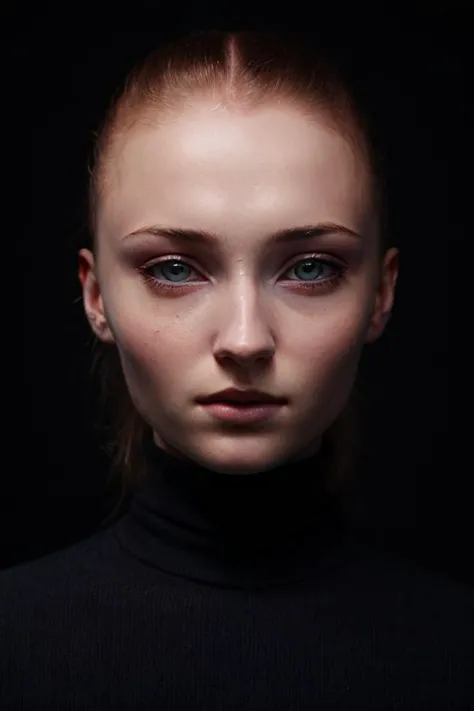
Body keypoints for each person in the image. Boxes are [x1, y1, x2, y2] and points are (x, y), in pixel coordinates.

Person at [1, 28, 472, 710]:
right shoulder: (14, 647)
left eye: (311, 267)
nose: (246, 339)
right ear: (94, 294)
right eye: (174, 269)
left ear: (382, 293)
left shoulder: (456, 652)